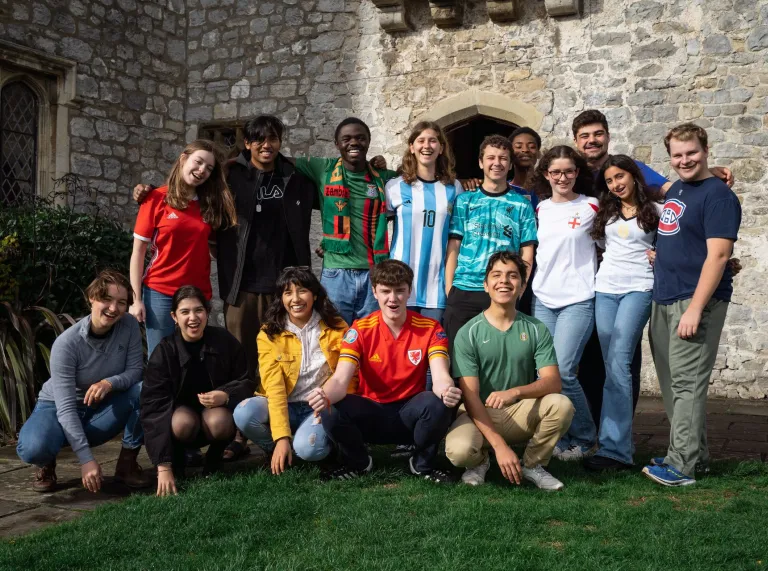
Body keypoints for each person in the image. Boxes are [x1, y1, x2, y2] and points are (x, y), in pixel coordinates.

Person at [643, 124, 741, 487]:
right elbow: (636, 171)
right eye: (677, 155)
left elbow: (719, 256)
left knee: (687, 383)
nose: (684, 160)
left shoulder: (719, 196)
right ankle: (694, 454)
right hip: (665, 296)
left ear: (706, 149)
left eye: (692, 153)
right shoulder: (678, 188)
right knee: (672, 383)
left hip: (695, 300)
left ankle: (681, 465)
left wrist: (696, 309)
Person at [307, 260, 462, 482]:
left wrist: (447, 390)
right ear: (374, 292)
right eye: (385, 291)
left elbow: (440, 376)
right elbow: (340, 379)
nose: (393, 298)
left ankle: (422, 465)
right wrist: (324, 395)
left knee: (437, 402)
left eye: (399, 290)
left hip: (410, 414)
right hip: (372, 413)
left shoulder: (430, 328)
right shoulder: (360, 329)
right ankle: (359, 463)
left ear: (409, 291)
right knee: (330, 408)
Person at [445, 252, 574, 490]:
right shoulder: (468, 332)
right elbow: (471, 397)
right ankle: (480, 461)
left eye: (512, 276)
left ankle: (533, 464)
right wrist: (500, 447)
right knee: (459, 451)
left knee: (561, 404)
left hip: (519, 411)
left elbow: (553, 382)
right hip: (478, 413)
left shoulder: (536, 328)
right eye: (496, 275)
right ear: (486, 285)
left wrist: (515, 392)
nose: (504, 281)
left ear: (522, 286)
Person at [16, 270, 149, 493]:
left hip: (100, 409)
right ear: (92, 298)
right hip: (58, 407)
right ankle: (46, 460)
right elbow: (66, 408)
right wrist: (86, 460)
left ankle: (127, 464)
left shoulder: (129, 325)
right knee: (33, 448)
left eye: (121, 302)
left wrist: (109, 383)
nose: (113, 308)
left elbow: (135, 371)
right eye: (107, 299)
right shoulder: (67, 344)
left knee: (146, 390)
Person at [233, 267, 352, 475]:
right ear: (281, 299)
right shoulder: (269, 333)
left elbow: (349, 377)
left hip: (319, 407)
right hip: (285, 405)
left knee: (308, 449)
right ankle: (277, 451)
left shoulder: (338, 327)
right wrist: (281, 437)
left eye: (302, 291)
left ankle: (325, 448)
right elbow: (274, 387)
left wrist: (333, 410)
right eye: (288, 293)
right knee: (243, 413)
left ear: (315, 295)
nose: (295, 299)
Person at [584, 156, 662, 471]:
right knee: (612, 366)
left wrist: (660, 253)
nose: (616, 184)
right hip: (605, 289)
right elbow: (603, 247)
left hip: (639, 289)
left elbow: (675, 241)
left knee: (618, 363)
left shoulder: (656, 210)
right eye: (609, 181)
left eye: (620, 177)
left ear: (633, 176)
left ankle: (615, 450)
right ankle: (618, 445)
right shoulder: (607, 212)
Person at [140, 286, 254, 496]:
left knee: (220, 421)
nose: (193, 318)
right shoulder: (164, 351)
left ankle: (214, 459)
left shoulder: (224, 341)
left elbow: (246, 381)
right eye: (185, 312)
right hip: (182, 419)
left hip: (215, 416)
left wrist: (226, 394)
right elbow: (153, 407)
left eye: (198, 310)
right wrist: (163, 466)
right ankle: (178, 461)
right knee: (181, 422)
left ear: (207, 312)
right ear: (174, 317)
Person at [129, 140, 237, 358]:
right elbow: (138, 253)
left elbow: (214, 249)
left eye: (209, 168)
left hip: (197, 294)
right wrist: (136, 299)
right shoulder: (155, 198)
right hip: (160, 292)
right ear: (183, 159)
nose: (202, 170)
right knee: (161, 358)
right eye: (198, 162)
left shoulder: (210, 205)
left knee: (195, 358)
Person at [530, 145, 599, 462]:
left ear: (577, 172)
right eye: (556, 172)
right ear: (546, 174)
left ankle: (586, 438)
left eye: (568, 171)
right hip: (543, 297)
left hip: (578, 298)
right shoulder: (541, 208)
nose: (562, 177)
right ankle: (562, 436)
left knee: (565, 371)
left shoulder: (591, 206)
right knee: (545, 373)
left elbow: (621, 233)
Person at [294, 117, 398, 326]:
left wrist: (463, 182)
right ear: (337, 143)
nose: (354, 142)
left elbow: (417, 178)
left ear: (368, 141)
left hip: (374, 273)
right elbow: (278, 160)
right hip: (336, 274)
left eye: (360, 138)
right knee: (334, 336)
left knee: (369, 337)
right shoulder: (323, 168)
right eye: (346, 138)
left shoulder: (383, 177)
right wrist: (236, 161)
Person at [443, 135, 538, 342]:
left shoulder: (522, 205)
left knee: (499, 356)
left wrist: (519, 290)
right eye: (491, 158)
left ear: (510, 164)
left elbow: (527, 252)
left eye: (503, 158)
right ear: (480, 162)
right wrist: (450, 289)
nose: (497, 163)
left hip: (502, 289)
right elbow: (454, 245)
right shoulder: (465, 200)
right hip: (464, 289)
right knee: (457, 355)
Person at [385, 121, 462, 324]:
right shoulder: (394, 187)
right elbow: (374, 226)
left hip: (436, 286)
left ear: (441, 148)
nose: (427, 146)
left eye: (433, 141)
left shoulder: (454, 188)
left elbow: (455, 239)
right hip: (399, 283)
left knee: (432, 341)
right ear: (412, 147)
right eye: (421, 141)